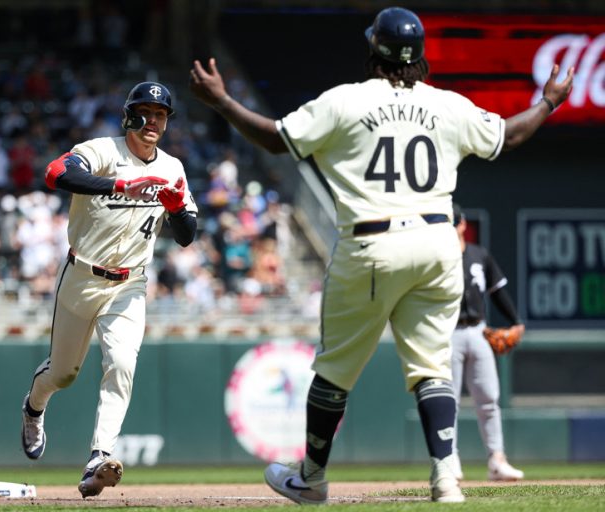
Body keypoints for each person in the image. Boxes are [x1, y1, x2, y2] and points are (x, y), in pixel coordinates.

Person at [189, 6, 573, 504]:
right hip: (438, 246)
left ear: (375, 49)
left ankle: (311, 478)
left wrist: (222, 102)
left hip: (372, 243)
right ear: (420, 56)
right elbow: (510, 134)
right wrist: (547, 102)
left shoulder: (346, 101)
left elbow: (275, 138)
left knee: (334, 370)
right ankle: (445, 480)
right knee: (433, 367)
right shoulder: (447, 105)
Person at [20, 81, 197, 498]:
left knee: (121, 362)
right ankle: (33, 408)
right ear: (129, 114)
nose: (153, 121)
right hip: (81, 275)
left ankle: (99, 456)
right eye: (146, 112)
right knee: (63, 373)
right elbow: (55, 173)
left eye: (161, 115)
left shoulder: (172, 167)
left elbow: (188, 235)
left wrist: (175, 208)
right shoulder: (103, 150)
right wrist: (120, 186)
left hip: (130, 283)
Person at [450, 204, 525, 482]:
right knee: (448, 401)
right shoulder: (437, 259)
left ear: (462, 223)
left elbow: (498, 290)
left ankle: (497, 459)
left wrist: (515, 320)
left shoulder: (478, 254)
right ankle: (449, 459)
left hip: (479, 330)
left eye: (454, 222)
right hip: (449, 333)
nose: (453, 227)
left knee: (489, 399)